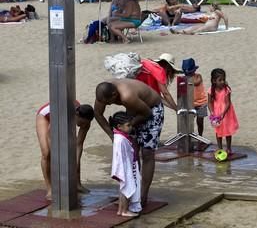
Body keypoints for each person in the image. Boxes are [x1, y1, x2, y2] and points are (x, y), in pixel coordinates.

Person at [94, 78, 163, 206]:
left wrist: (130, 125)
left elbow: (147, 113)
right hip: (133, 111)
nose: (107, 105)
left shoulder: (127, 96)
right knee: (132, 154)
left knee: (147, 153)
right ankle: (132, 193)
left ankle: (143, 196)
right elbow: (98, 114)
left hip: (151, 110)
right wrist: (112, 135)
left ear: (114, 95)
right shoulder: (103, 92)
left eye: (108, 102)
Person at [36, 101, 94, 200]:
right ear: (76, 115)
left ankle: (77, 185)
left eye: (85, 123)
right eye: (81, 122)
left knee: (74, 154)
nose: (81, 126)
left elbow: (79, 145)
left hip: (62, 112)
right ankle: (50, 189)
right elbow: (50, 136)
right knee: (46, 153)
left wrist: (75, 164)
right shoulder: (62, 116)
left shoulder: (86, 120)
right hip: (45, 115)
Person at [109, 112, 141, 217]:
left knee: (123, 188)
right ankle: (125, 210)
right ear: (119, 126)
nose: (131, 128)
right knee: (127, 186)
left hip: (125, 165)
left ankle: (120, 210)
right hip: (125, 166)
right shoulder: (120, 139)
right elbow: (120, 156)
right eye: (128, 125)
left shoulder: (120, 137)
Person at [207, 68, 239, 154]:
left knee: (228, 130)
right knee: (218, 130)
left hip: (226, 112)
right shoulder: (211, 90)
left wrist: (223, 114)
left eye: (223, 79)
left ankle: (228, 148)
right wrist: (212, 112)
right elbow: (209, 102)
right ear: (214, 81)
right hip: (216, 112)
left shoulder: (226, 89)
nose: (222, 82)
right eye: (220, 80)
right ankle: (220, 148)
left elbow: (228, 103)